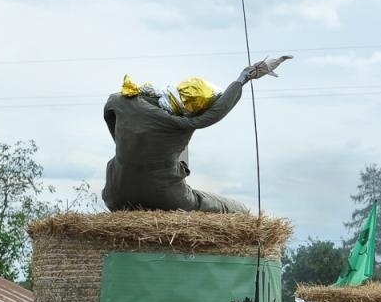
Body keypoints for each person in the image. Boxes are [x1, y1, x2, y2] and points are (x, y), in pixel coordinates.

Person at [101, 55, 292, 213]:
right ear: (192, 112)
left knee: (169, 151)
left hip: (115, 194)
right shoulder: (183, 123)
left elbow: (109, 111)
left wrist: (124, 145)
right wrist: (244, 77)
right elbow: (216, 112)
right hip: (167, 198)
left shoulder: (121, 101)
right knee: (239, 210)